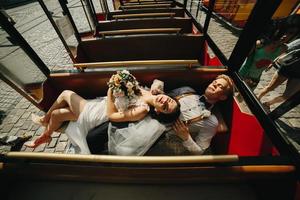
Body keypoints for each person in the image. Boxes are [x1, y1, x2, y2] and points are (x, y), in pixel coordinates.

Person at [24, 70, 180, 154]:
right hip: (100, 104)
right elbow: (159, 81)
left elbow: (113, 116)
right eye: (169, 100)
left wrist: (112, 89)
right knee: (59, 115)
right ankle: (46, 135)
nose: (165, 102)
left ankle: (45, 120)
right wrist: (155, 85)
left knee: (66, 93)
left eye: (165, 107)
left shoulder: (142, 110)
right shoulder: (156, 92)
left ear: (158, 112)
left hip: (100, 113)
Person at [159, 74, 234, 154]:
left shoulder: (211, 122)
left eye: (220, 86)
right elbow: (160, 96)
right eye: (214, 82)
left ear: (222, 97)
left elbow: (199, 152)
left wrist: (186, 137)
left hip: (161, 140)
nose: (214, 84)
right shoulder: (186, 90)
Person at [257, 38, 300, 107]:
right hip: (287, 68)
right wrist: (273, 61)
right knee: (270, 87)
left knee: (287, 96)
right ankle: (257, 98)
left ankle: (268, 103)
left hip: (298, 76)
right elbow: (287, 48)